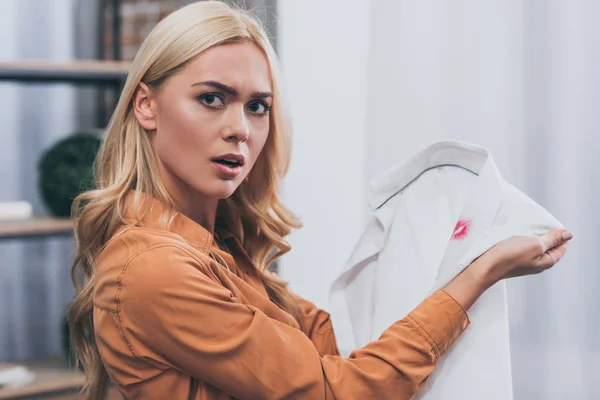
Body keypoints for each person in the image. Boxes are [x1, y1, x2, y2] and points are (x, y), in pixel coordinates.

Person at [67, 2, 573, 399]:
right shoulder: (155, 268)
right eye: (212, 98)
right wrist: (479, 274)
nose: (240, 129)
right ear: (146, 105)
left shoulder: (215, 247)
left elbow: (330, 348)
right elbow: (337, 391)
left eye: (258, 106)